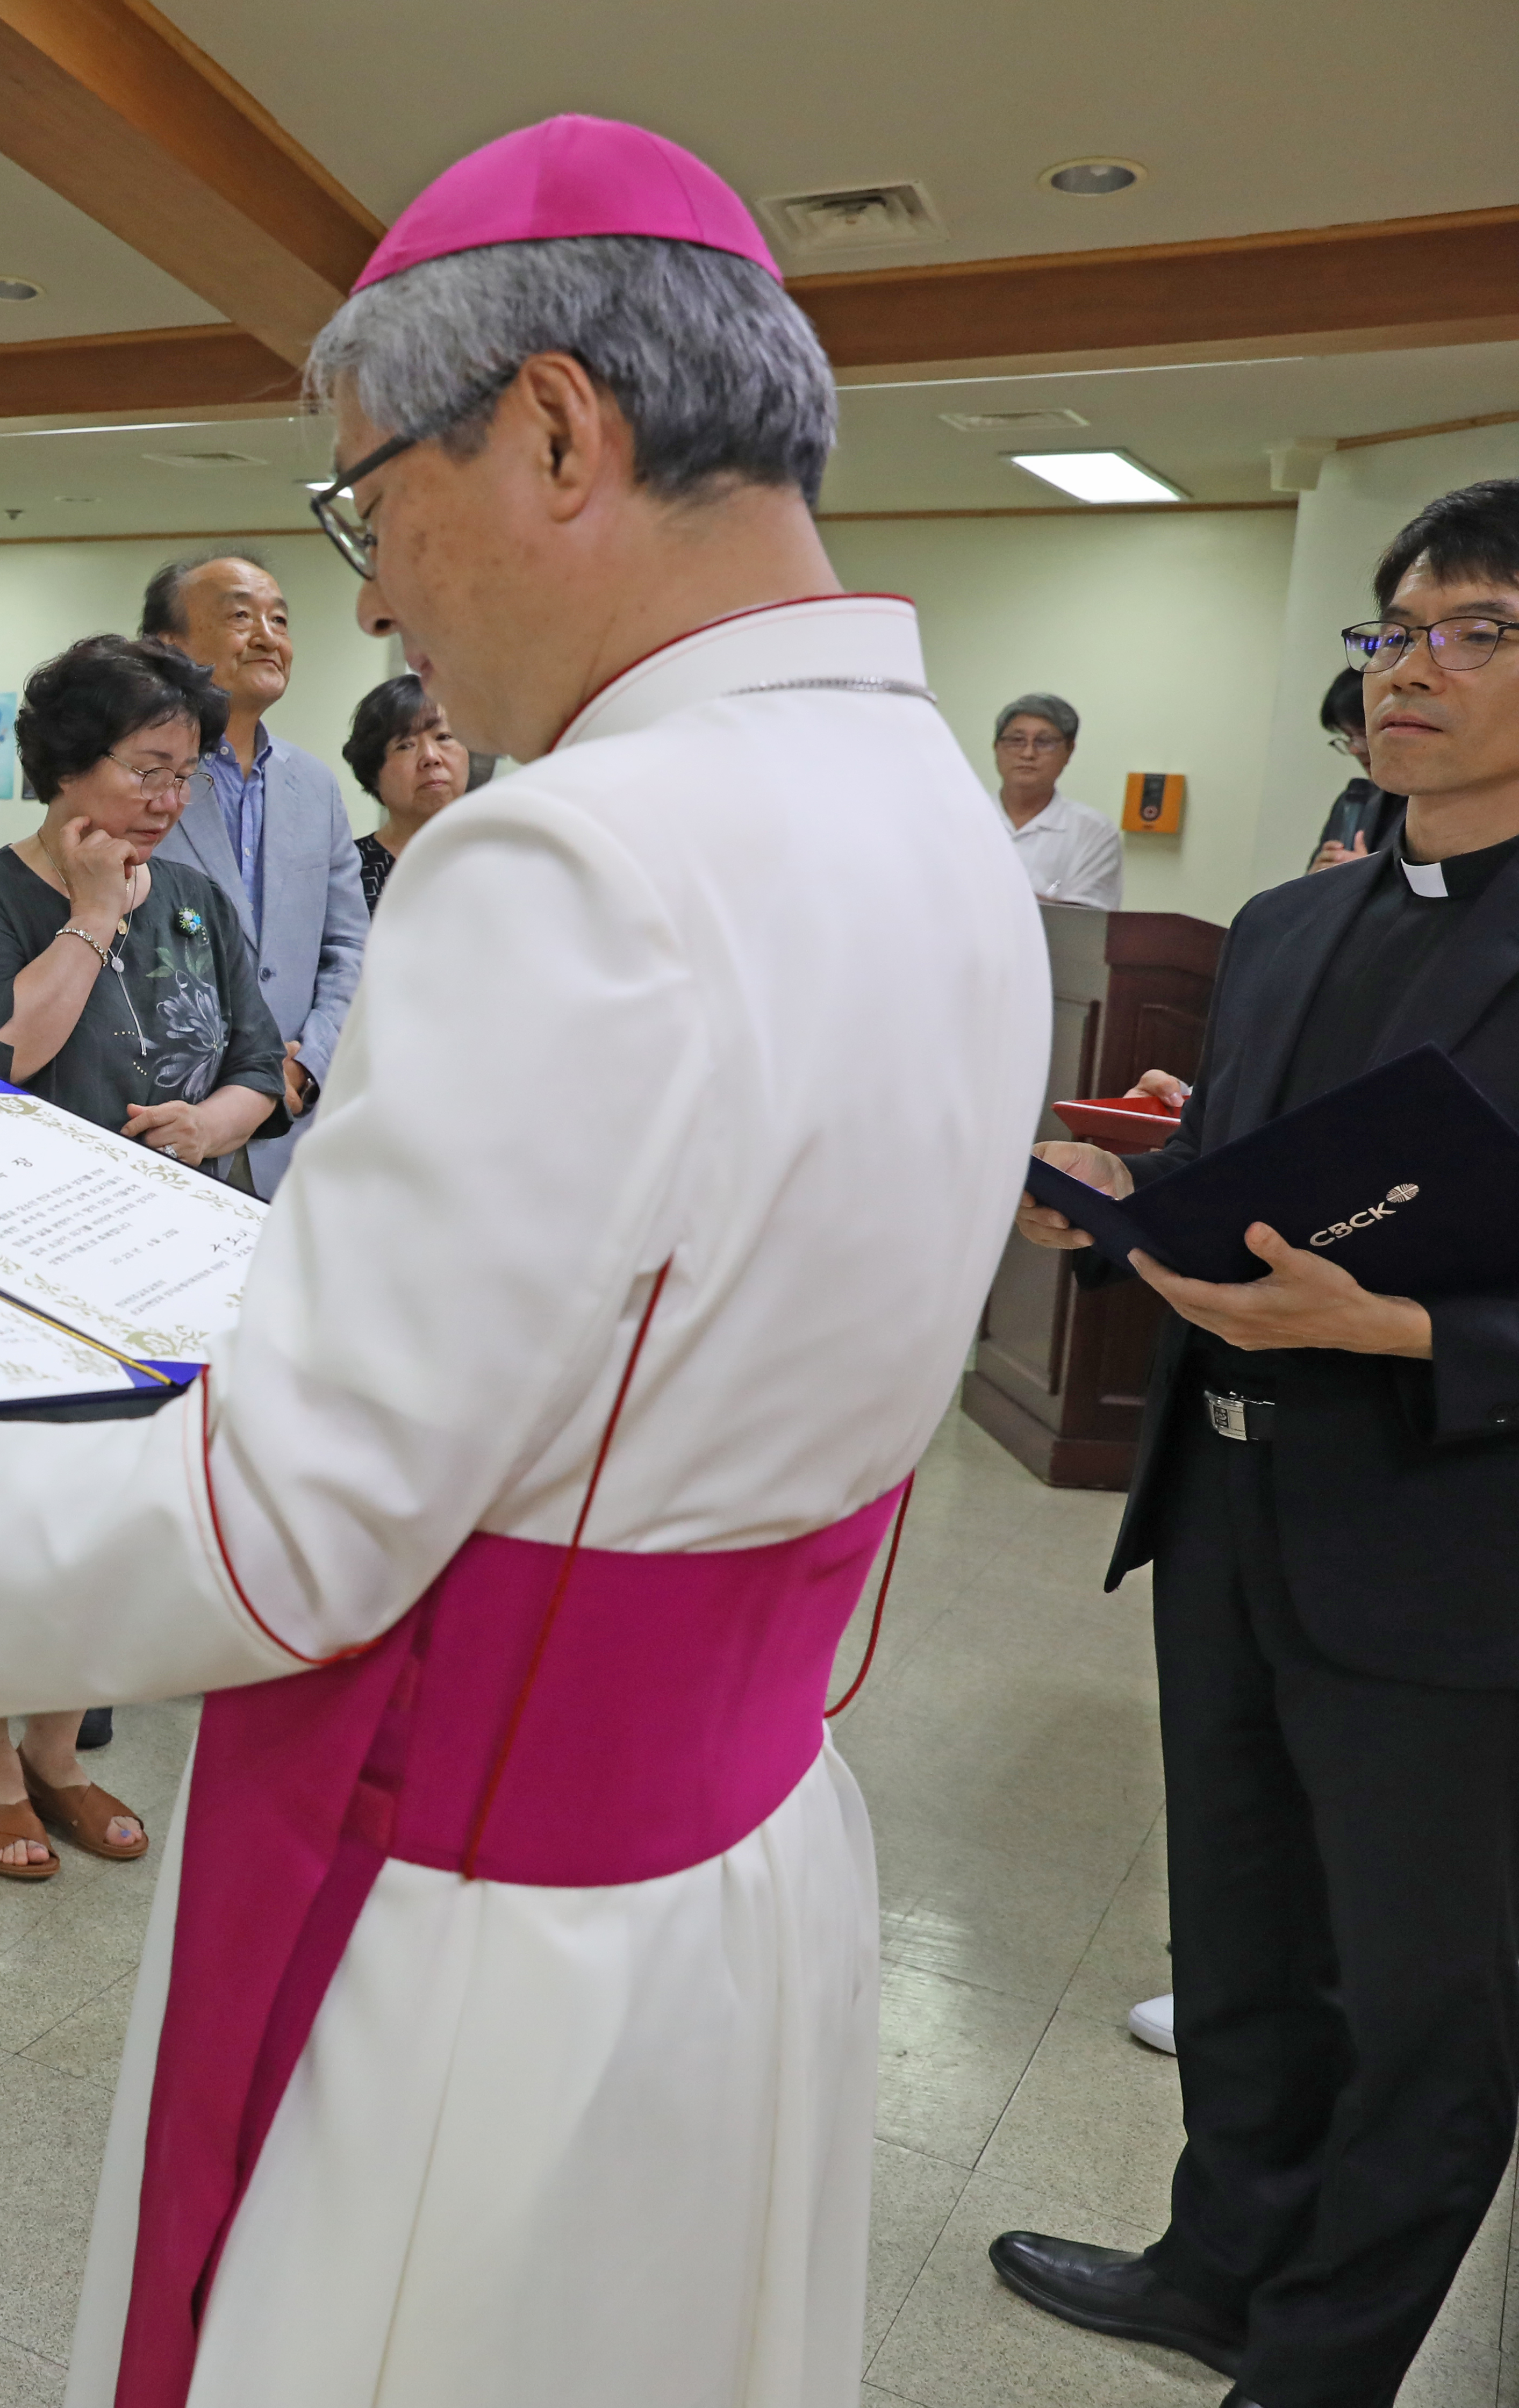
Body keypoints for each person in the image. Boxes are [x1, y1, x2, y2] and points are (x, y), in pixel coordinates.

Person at [0, 115, 1045, 2406]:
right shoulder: (925, 811)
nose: (376, 599)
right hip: (739, 1856)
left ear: (551, 432)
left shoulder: (569, 862)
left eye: (365, 503)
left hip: (477, 1926)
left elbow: (284, 1531)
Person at [996, 478, 1519, 2408]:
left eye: (1472, 631)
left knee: (1420, 2005)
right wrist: (1127, 1180)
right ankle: (1210, 2262)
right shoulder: (1294, 916)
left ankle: (1313, 2366)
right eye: (1390, 632)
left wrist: (1395, 1325)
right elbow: (1247, 1163)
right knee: (1230, 1936)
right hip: (1221, 1498)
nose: (1411, 670)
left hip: (1442, 1537)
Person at [0, 632, 285, 1880]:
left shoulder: (196, 899)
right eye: (148, 770)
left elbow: (260, 1065)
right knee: (8, 1529)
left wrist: (215, 1124)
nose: (171, 801)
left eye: (185, 774)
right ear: (71, 767)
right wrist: (88, 914)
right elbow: (4, 1049)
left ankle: (61, 1756)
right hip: (13, 1268)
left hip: (166, 1268)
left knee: (113, 1532)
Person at [141, 549, 369, 1192]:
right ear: (170, 646)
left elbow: (348, 946)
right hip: (168, 1122)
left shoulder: (315, 786)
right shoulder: (141, 781)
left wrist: (302, 1068)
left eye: (280, 619)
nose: (269, 637)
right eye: (242, 617)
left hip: (294, 1128)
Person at [339, 671, 465, 911]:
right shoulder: (346, 873)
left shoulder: (504, 854)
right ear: (373, 771)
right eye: (405, 746)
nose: (431, 757)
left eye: (444, 737)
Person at [996, 691, 1126, 908]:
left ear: (1069, 752)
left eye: (1044, 742)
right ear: (997, 748)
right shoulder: (961, 819)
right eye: (1016, 741)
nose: (1028, 753)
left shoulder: (1094, 832)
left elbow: (1085, 924)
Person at [1307, 666, 1402, 871]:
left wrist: (1364, 877)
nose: (1354, 749)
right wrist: (1312, 882)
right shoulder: (1354, 801)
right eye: (1348, 736)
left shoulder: (1437, 805)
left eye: (1361, 734)